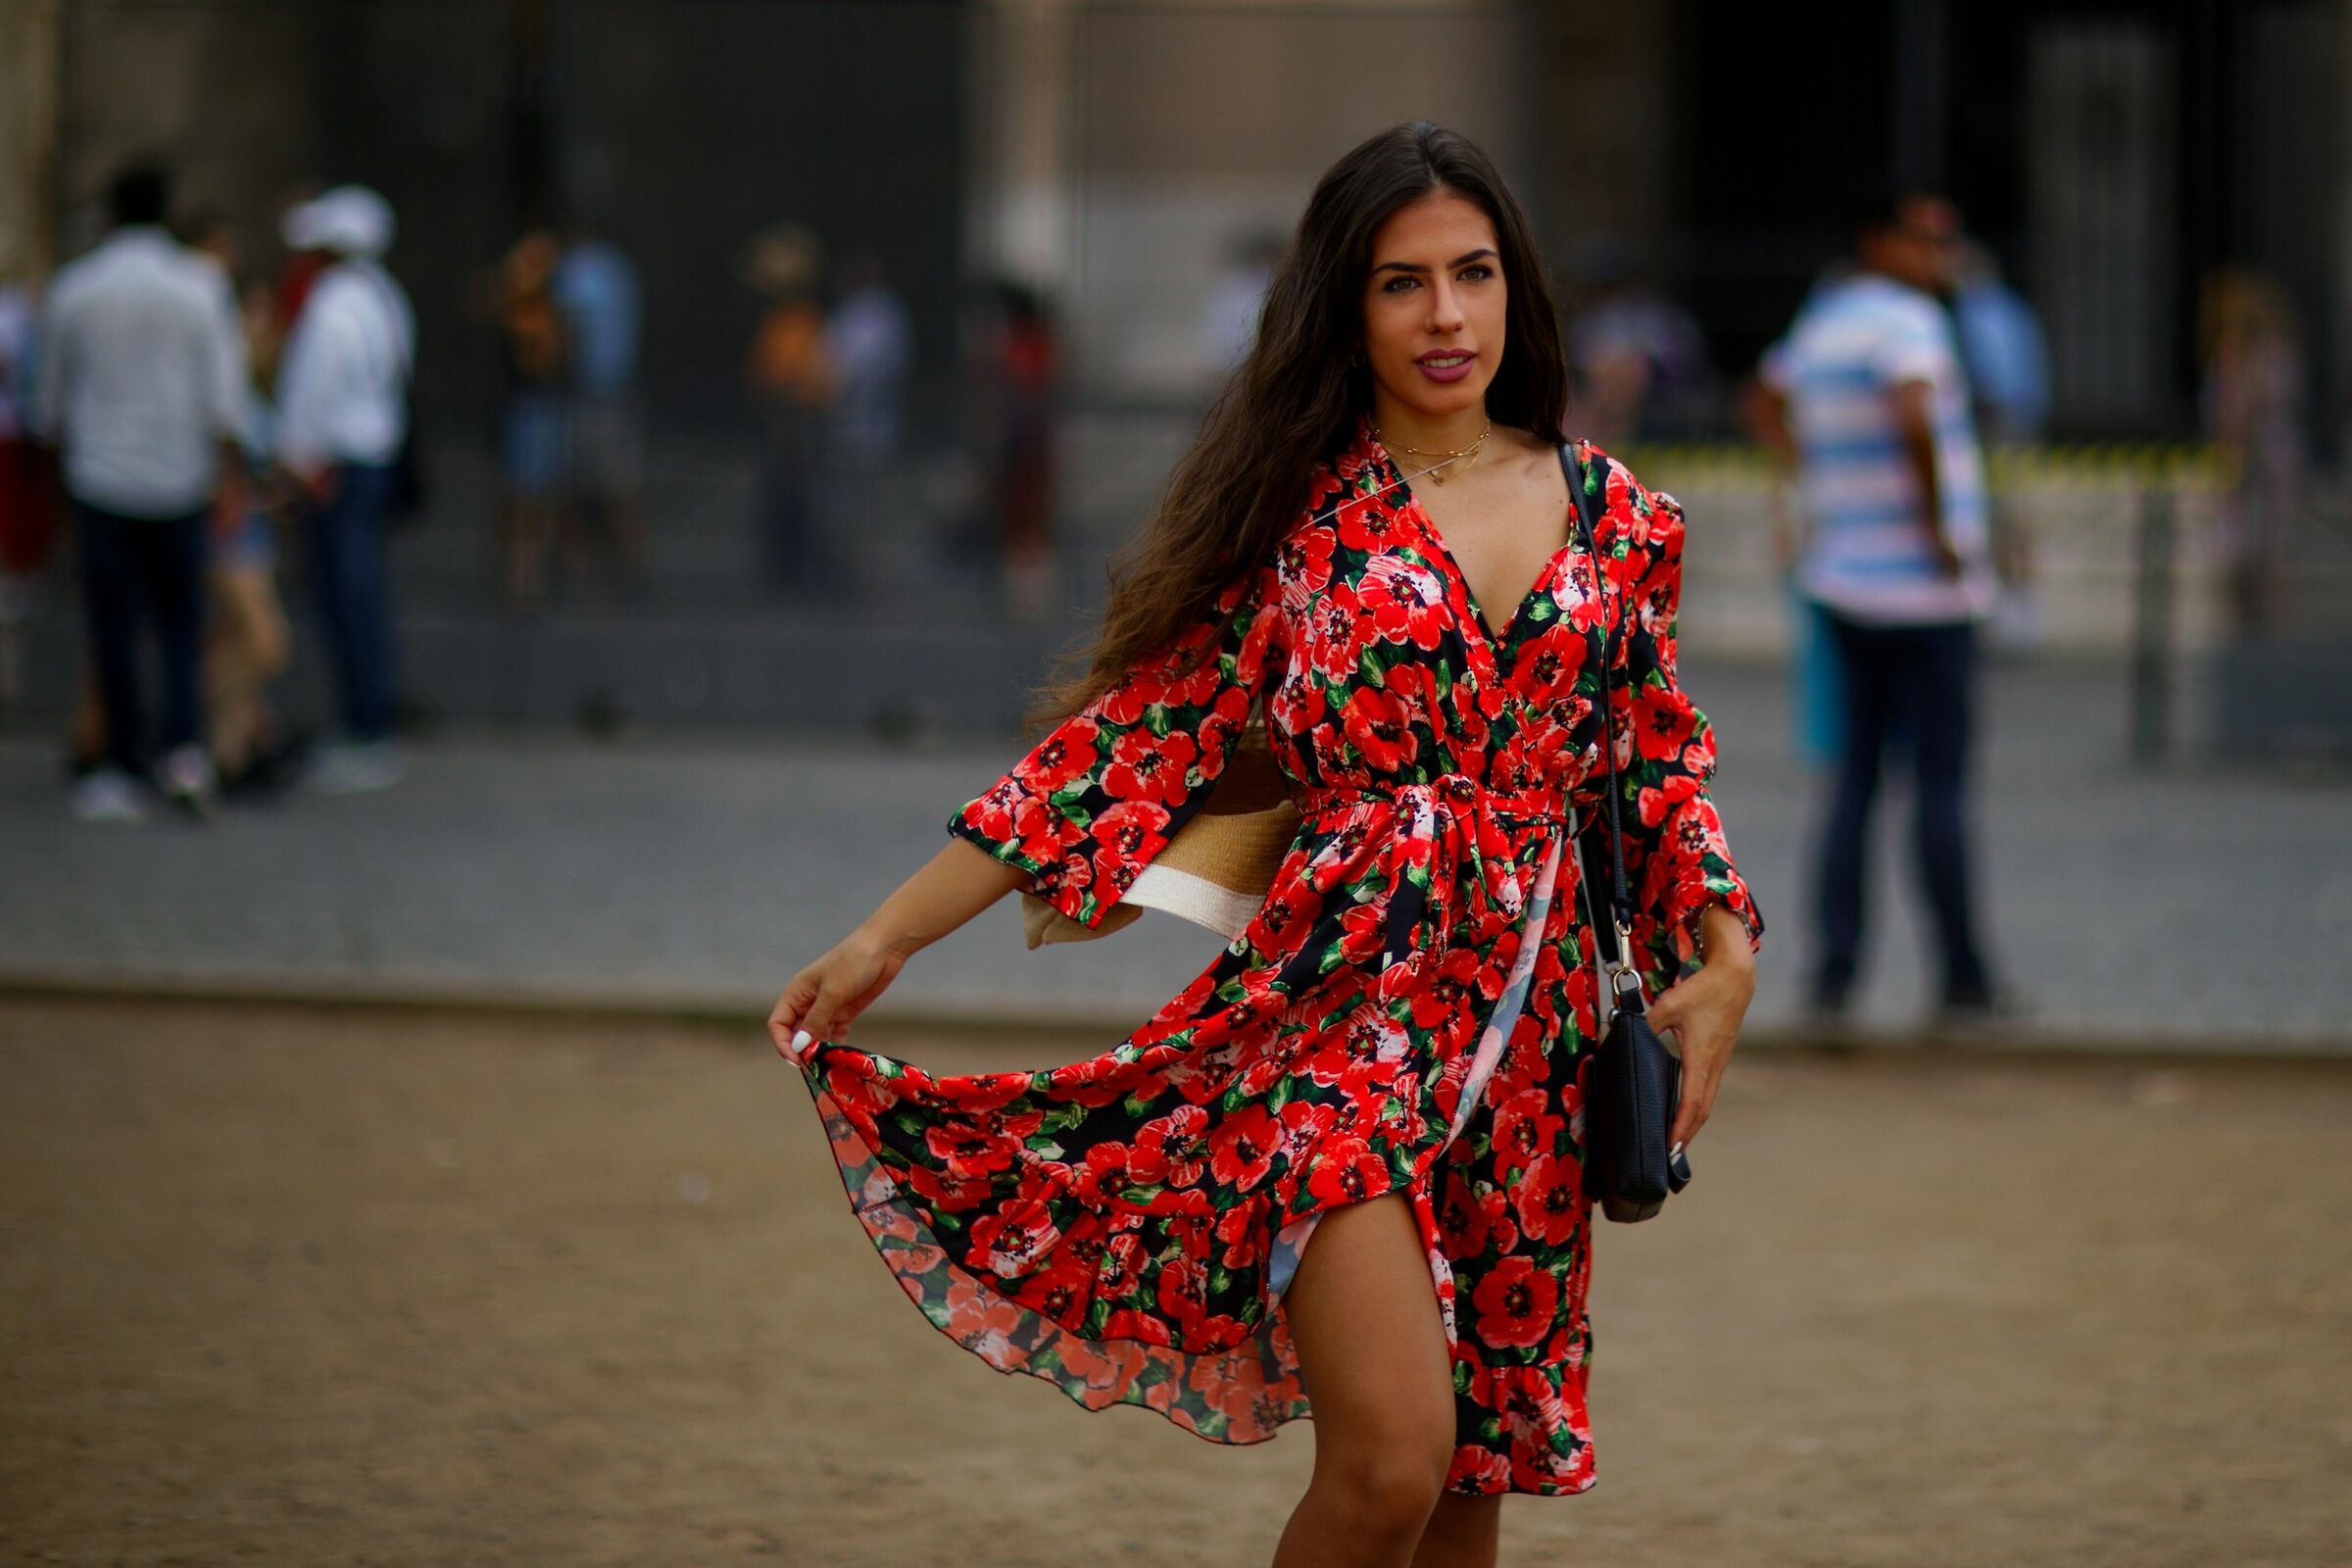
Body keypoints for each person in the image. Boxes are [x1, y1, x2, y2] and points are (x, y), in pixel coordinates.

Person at [768, 122, 1762, 1564]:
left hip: (1529, 1037)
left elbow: (1655, 766)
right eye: (1400, 282)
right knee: (1390, 1462)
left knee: (1467, 1480)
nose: (1444, 316)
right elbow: (1118, 751)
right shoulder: (1299, 524)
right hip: (1338, 1014)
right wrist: (882, 939)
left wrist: (1727, 954)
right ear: (1343, 309)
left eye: (1472, 274)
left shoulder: (1622, 519)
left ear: (1513, 290)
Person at [1752, 187, 2005, 1030]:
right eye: (1925, 236)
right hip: (1925, 594)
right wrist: (1937, 531)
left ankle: (1834, 976)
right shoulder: (1907, 322)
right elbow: (1914, 413)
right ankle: (1964, 980)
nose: (1940, 252)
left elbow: (1761, 399)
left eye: (1947, 236)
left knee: (1851, 786)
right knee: (1938, 787)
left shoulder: (1823, 321)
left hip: (1842, 583)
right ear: (1879, 240)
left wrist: (1816, 484)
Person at [33, 164, 245, 822]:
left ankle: (121, 761)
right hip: (178, 476)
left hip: (101, 477)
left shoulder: (77, 287)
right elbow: (225, 398)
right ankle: (183, 750)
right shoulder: (201, 286)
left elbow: (48, 401)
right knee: (182, 624)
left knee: (113, 628)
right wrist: (229, 468)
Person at [275, 183, 416, 793]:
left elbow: (309, 392)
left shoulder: (333, 304)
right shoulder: (385, 297)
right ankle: (369, 718)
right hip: (373, 460)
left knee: (347, 598)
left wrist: (292, 459)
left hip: (335, 467)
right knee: (363, 595)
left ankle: (365, 727)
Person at [553, 225, 646, 603]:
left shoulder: (578, 273)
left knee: (595, 488)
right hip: (617, 390)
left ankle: (604, 577)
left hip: (589, 394)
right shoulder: (619, 268)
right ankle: (624, 572)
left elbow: (570, 332)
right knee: (615, 487)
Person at [740, 223, 833, 597]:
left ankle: (796, 567)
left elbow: (804, 375)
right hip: (786, 416)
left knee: (795, 494)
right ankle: (787, 565)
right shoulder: (788, 322)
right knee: (785, 494)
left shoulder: (801, 322)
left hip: (795, 418)